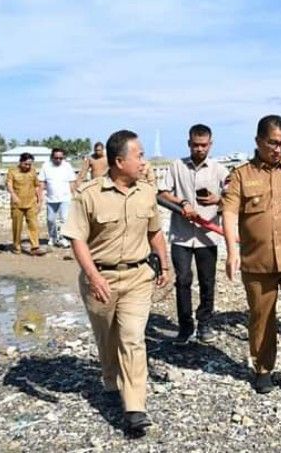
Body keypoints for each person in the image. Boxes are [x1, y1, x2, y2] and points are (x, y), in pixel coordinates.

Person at [62, 130, 170, 435]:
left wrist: (164, 262)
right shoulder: (89, 194)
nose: (144, 161)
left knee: (133, 338)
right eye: (139, 155)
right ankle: (111, 381)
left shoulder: (147, 192)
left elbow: (155, 232)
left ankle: (135, 407)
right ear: (120, 161)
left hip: (137, 277)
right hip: (101, 278)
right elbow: (77, 239)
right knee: (107, 338)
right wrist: (94, 277)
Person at [222, 114, 281, 394]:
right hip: (257, 259)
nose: (278, 149)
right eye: (273, 143)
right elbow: (228, 212)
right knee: (261, 316)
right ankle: (263, 367)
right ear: (258, 141)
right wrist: (231, 251)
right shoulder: (240, 175)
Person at [158, 124, 228, 344]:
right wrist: (183, 202)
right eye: (195, 145)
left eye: (203, 145)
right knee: (183, 280)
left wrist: (218, 200)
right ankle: (185, 326)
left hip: (208, 236)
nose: (199, 149)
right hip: (181, 235)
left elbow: (234, 197)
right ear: (189, 143)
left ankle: (205, 323)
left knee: (207, 282)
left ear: (210, 144)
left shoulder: (219, 170)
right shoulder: (176, 167)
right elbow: (162, 194)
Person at [6, 152, 45, 255]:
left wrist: (40, 200)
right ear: (21, 162)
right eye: (26, 164)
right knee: (17, 226)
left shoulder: (32, 171)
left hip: (31, 203)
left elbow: (37, 186)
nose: (28, 166)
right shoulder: (12, 171)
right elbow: (9, 184)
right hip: (17, 204)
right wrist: (13, 195)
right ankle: (16, 246)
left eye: (30, 164)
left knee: (34, 225)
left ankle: (35, 247)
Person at [38, 147, 77, 248]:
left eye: (61, 158)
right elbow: (42, 182)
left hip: (65, 198)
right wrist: (40, 197)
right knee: (51, 219)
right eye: (56, 158)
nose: (58, 160)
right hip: (51, 198)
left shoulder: (67, 166)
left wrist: (75, 196)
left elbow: (72, 182)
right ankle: (52, 237)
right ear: (52, 157)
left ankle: (63, 238)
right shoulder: (45, 166)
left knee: (64, 219)